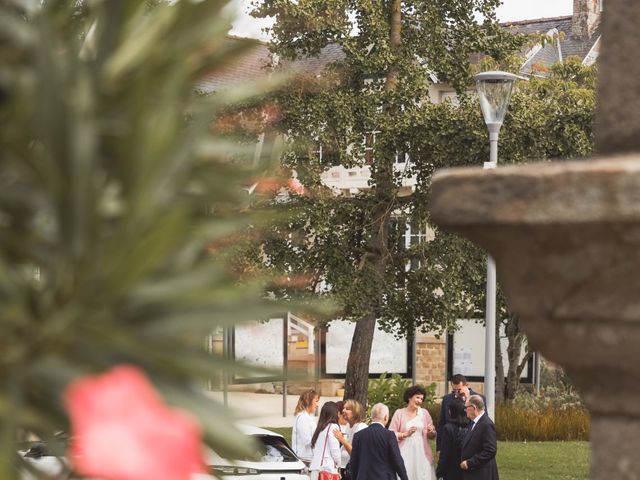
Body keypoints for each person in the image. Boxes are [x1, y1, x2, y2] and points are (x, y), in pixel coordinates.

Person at [349, 403, 409, 480]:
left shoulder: (358, 435)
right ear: (386, 417)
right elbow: (397, 460)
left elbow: (353, 462)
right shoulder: (389, 435)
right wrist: (404, 478)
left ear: (372, 416)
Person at [389, 385, 436, 480]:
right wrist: (405, 434)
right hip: (404, 451)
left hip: (422, 452)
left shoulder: (424, 413)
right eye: (417, 397)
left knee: (423, 475)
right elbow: (391, 434)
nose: (419, 401)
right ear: (409, 397)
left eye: (421, 399)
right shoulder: (399, 413)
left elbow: (432, 435)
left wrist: (431, 431)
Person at [437, 374, 482, 452]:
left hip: (471, 442)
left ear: (466, 386)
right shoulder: (447, 399)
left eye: (459, 390)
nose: (456, 393)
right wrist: (439, 448)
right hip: (450, 442)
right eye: (454, 390)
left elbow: (482, 419)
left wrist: (468, 398)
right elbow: (442, 423)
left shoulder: (478, 398)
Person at [460, 395, 498, 480]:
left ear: (474, 407)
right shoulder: (473, 422)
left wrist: (470, 463)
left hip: (482, 474)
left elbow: (490, 450)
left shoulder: (486, 424)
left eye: (466, 407)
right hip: (472, 473)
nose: (465, 410)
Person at [436, 398, 470, 480]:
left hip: (451, 470)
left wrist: (439, 472)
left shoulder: (448, 428)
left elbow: (445, 453)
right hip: (466, 469)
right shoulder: (469, 426)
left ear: (451, 411)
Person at [333, 399, 368, 478]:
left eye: (347, 409)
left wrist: (342, 440)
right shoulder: (348, 426)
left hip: (352, 471)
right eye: (344, 408)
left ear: (355, 412)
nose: (343, 410)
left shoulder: (361, 427)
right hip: (344, 468)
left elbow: (356, 454)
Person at [309, 401, 341, 480]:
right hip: (327, 469)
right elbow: (335, 451)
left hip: (315, 469)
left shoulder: (320, 428)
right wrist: (338, 464)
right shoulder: (333, 427)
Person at [292, 389, 319, 466]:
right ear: (309, 401)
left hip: (310, 458)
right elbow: (307, 441)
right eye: (316, 401)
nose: (317, 405)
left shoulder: (309, 416)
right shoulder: (302, 418)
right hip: (304, 459)